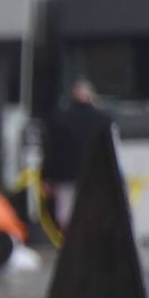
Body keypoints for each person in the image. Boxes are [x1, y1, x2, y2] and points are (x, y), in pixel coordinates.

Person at [42, 77, 115, 230]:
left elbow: (51, 151)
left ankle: (69, 248)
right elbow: (111, 152)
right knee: (94, 215)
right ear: (92, 96)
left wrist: (47, 178)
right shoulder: (104, 121)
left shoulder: (59, 120)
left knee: (66, 217)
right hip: (96, 177)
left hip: (66, 178)